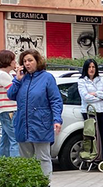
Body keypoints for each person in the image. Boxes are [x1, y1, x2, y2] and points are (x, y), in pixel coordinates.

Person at [7, 49, 62, 178]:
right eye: (25, 61)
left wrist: (57, 119)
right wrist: (17, 80)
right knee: (25, 159)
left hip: (41, 124)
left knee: (43, 157)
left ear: (37, 61)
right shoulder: (22, 78)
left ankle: (45, 186)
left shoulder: (47, 78)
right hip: (23, 124)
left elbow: (55, 100)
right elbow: (11, 95)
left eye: (30, 60)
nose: (27, 63)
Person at [78, 59, 103, 162]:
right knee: (92, 137)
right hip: (89, 112)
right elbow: (85, 97)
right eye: (89, 67)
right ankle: (93, 159)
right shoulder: (82, 81)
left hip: (102, 111)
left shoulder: (101, 80)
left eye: (93, 67)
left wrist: (96, 93)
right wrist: (101, 96)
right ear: (86, 68)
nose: (91, 69)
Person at [0, 50, 17, 158]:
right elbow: (14, 91)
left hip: (3, 110)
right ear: (8, 61)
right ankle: (17, 166)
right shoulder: (3, 75)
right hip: (9, 110)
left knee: (5, 139)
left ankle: (2, 164)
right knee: (15, 139)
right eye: (13, 60)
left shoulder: (1, 74)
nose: (15, 62)